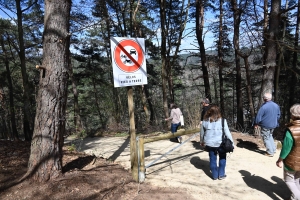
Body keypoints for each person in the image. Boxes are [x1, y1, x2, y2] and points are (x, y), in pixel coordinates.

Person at [200, 105, 234, 180]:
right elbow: (227, 132)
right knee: (222, 157)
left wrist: (201, 141)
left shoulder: (205, 121)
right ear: (218, 112)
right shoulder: (223, 120)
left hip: (209, 144)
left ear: (209, 112)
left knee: (212, 159)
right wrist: (232, 142)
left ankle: (215, 175)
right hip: (221, 143)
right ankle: (221, 174)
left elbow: (202, 133)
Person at [276, 104, 300, 200]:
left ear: (293, 115)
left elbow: (286, 148)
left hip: (291, 162)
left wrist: (280, 159)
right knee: (297, 179)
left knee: (289, 180)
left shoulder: (291, 130)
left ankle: (297, 197)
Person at [254, 92, 281, 157]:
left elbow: (258, 116)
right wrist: (275, 121)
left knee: (266, 137)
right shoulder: (276, 105)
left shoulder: (264, 107)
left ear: (264, 99)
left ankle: (270, 152)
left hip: (266, 125)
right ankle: (273, 149)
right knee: (270, 136)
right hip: (274, 124)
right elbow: (278, 115)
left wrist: (256, 123)